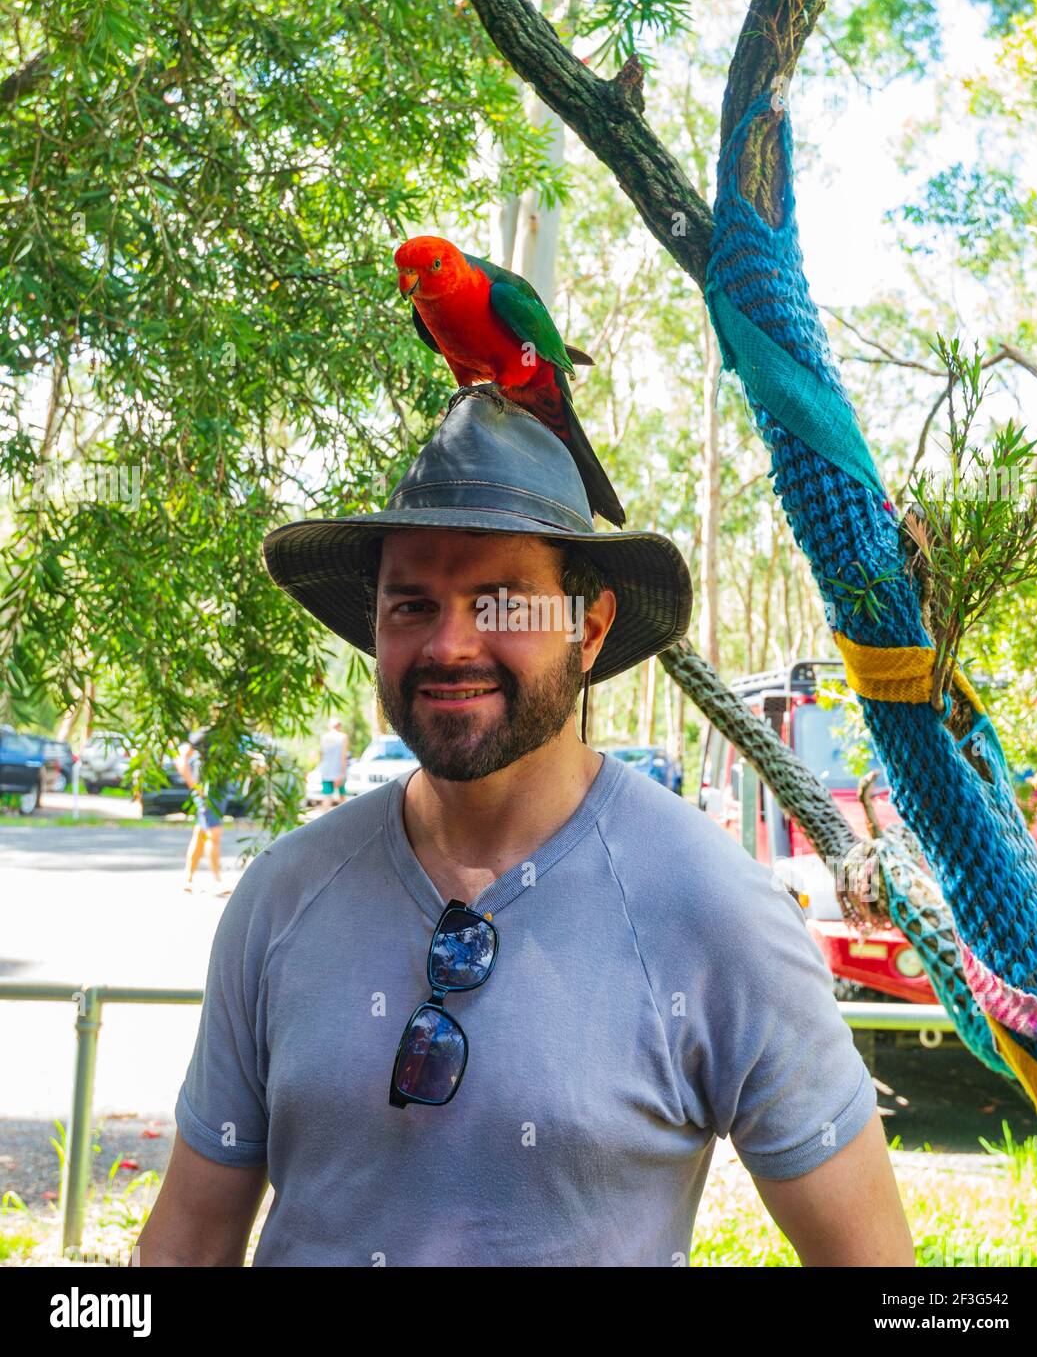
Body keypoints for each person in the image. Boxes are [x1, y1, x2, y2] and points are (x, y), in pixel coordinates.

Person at [136, 388, 913, 1267]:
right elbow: (189, 1241)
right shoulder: (283, 894)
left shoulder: (714, 909)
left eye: (502, 602)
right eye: (411, 604)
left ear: (588, 627)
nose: (450, 645)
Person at [176, 727, 232, 898]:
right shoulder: (204, 734)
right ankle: (216, 881)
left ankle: (188, 879)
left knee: (200, 833)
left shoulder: (229, 731)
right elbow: (181, 759)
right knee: (214, 833)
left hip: (219, 791)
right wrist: (194, 785)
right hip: (207, 792)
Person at [316, 718, 348, 812]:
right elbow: (343, 756)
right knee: (342, 797)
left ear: (330, 726)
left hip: (326, 772)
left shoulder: (324, 737)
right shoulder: (343, 737)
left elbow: (321, 755)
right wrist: (342, 773)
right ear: (339, 726)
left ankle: (322, 824)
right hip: (338, 771)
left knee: (327, 797)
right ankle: (349, 820)